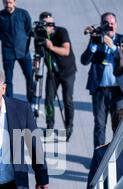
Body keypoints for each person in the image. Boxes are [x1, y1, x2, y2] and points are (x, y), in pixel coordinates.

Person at [81, 12, 123, 149]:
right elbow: (84, 61)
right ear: (101, 25)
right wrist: (92, 46)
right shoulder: (97, 39)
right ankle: (99, 156)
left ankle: (119, 153)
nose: (109, 26)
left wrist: (113, 47)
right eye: (106, 24)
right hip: (99, 90)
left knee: (120, 124)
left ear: (116, 24)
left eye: (112, 23)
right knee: (99, 125)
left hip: (117, 91)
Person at [37, 11, 77, 141]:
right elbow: (39, 53)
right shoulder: (40, 35)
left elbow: (66, 51)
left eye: (51, 24)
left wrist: (51, 46)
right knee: (49, 99)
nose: (50, 26)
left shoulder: (61, 32)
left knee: (67, 100)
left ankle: (69, 125)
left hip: (67, 71)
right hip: (52, 72)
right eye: (46, 24)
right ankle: (49, 125)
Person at [0, 0, 34, 103]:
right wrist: (8, 41)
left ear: (14, 2)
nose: (8, 5)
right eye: (6, 2)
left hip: (23, 52)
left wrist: (22, 42)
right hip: (8, 53)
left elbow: (28, 29)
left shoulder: (23, 14)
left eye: (10, 2)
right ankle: (10, 103)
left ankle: (32, 102)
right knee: (8, 80)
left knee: (30, 77)